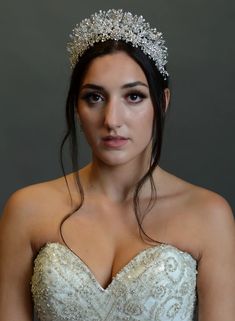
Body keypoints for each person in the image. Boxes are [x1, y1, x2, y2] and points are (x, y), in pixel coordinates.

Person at [0, 8, 234, 321]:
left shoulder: (209, 215)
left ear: (161, 103)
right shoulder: (27, 210)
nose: (112, 120)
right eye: (94, 97)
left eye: (133, 97)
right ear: (76, 107)